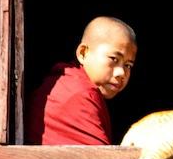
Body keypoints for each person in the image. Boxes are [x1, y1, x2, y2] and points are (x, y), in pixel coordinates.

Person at [25, 16, 137, 145]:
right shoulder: (79, 93)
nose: (121, 73)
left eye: (128, 65)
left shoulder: (72, 83)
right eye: (114, 59)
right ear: (83, 53)